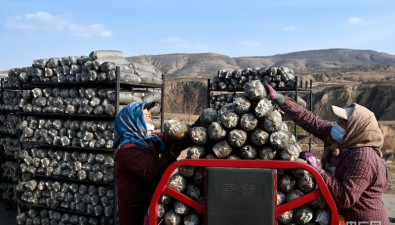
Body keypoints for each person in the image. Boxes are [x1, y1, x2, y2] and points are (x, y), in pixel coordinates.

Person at [264, 84, 389, 224]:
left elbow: (345, 198)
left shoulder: (362, 157)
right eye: (338, 120)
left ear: (356, 129)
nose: (336, 124)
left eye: (343, 122)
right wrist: (280, 99)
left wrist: (318, 171)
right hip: (341, 218)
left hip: (363, 220)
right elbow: (310, 120)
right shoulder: (340, 140)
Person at [114, 101, 188, 225]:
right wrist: (172, 154)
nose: (150, 120)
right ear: (133, 120)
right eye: (146, 116)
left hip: (148, 204)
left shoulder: (147, 141)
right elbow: (152, 170)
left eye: (150, 116)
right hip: (135, 211)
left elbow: (165, 138)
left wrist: (185, 132)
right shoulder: (128, 150)